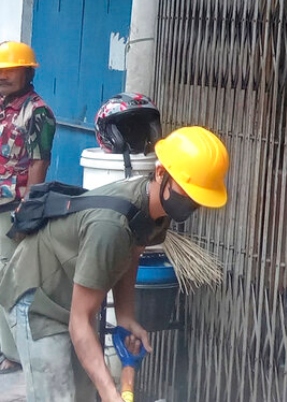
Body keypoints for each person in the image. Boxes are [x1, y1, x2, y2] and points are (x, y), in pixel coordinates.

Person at [0, 125, 230, 402]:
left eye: (198, 198)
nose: (192, 203)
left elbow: (130, 256)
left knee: (83, 393)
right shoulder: (110, 227)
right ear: (160, 173)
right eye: (188, 192)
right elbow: (79, 321)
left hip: (71, 292)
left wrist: (126, 317)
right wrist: (110, 392)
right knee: (57, 394)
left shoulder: (155, 210)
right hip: (36, 294)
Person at [0, 41, 56, 375]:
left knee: (10, 279)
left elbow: (39, 163)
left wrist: (28, 211)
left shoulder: (37, 112)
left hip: (13, 209)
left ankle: (16, 355)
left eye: (11, 69)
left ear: (27, 71)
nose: (4, 76)